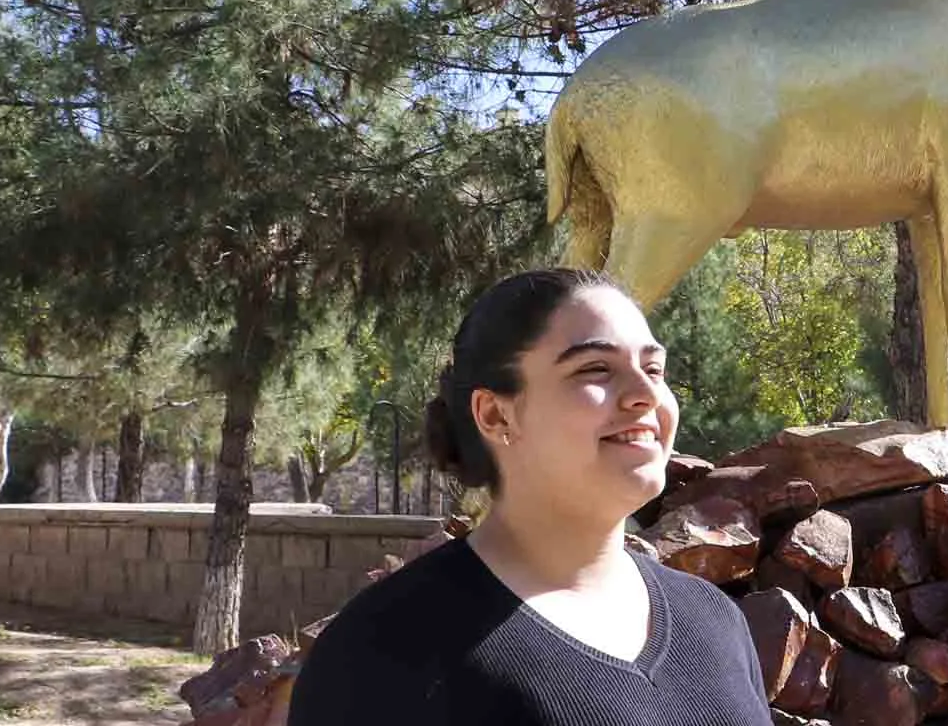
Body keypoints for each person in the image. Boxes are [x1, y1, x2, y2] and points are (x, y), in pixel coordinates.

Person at [289, 268, 772, 725]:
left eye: (654, 368)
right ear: (496, 416)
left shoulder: (713, 621)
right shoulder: (387, 646)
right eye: (596, 369)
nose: (644, 393)